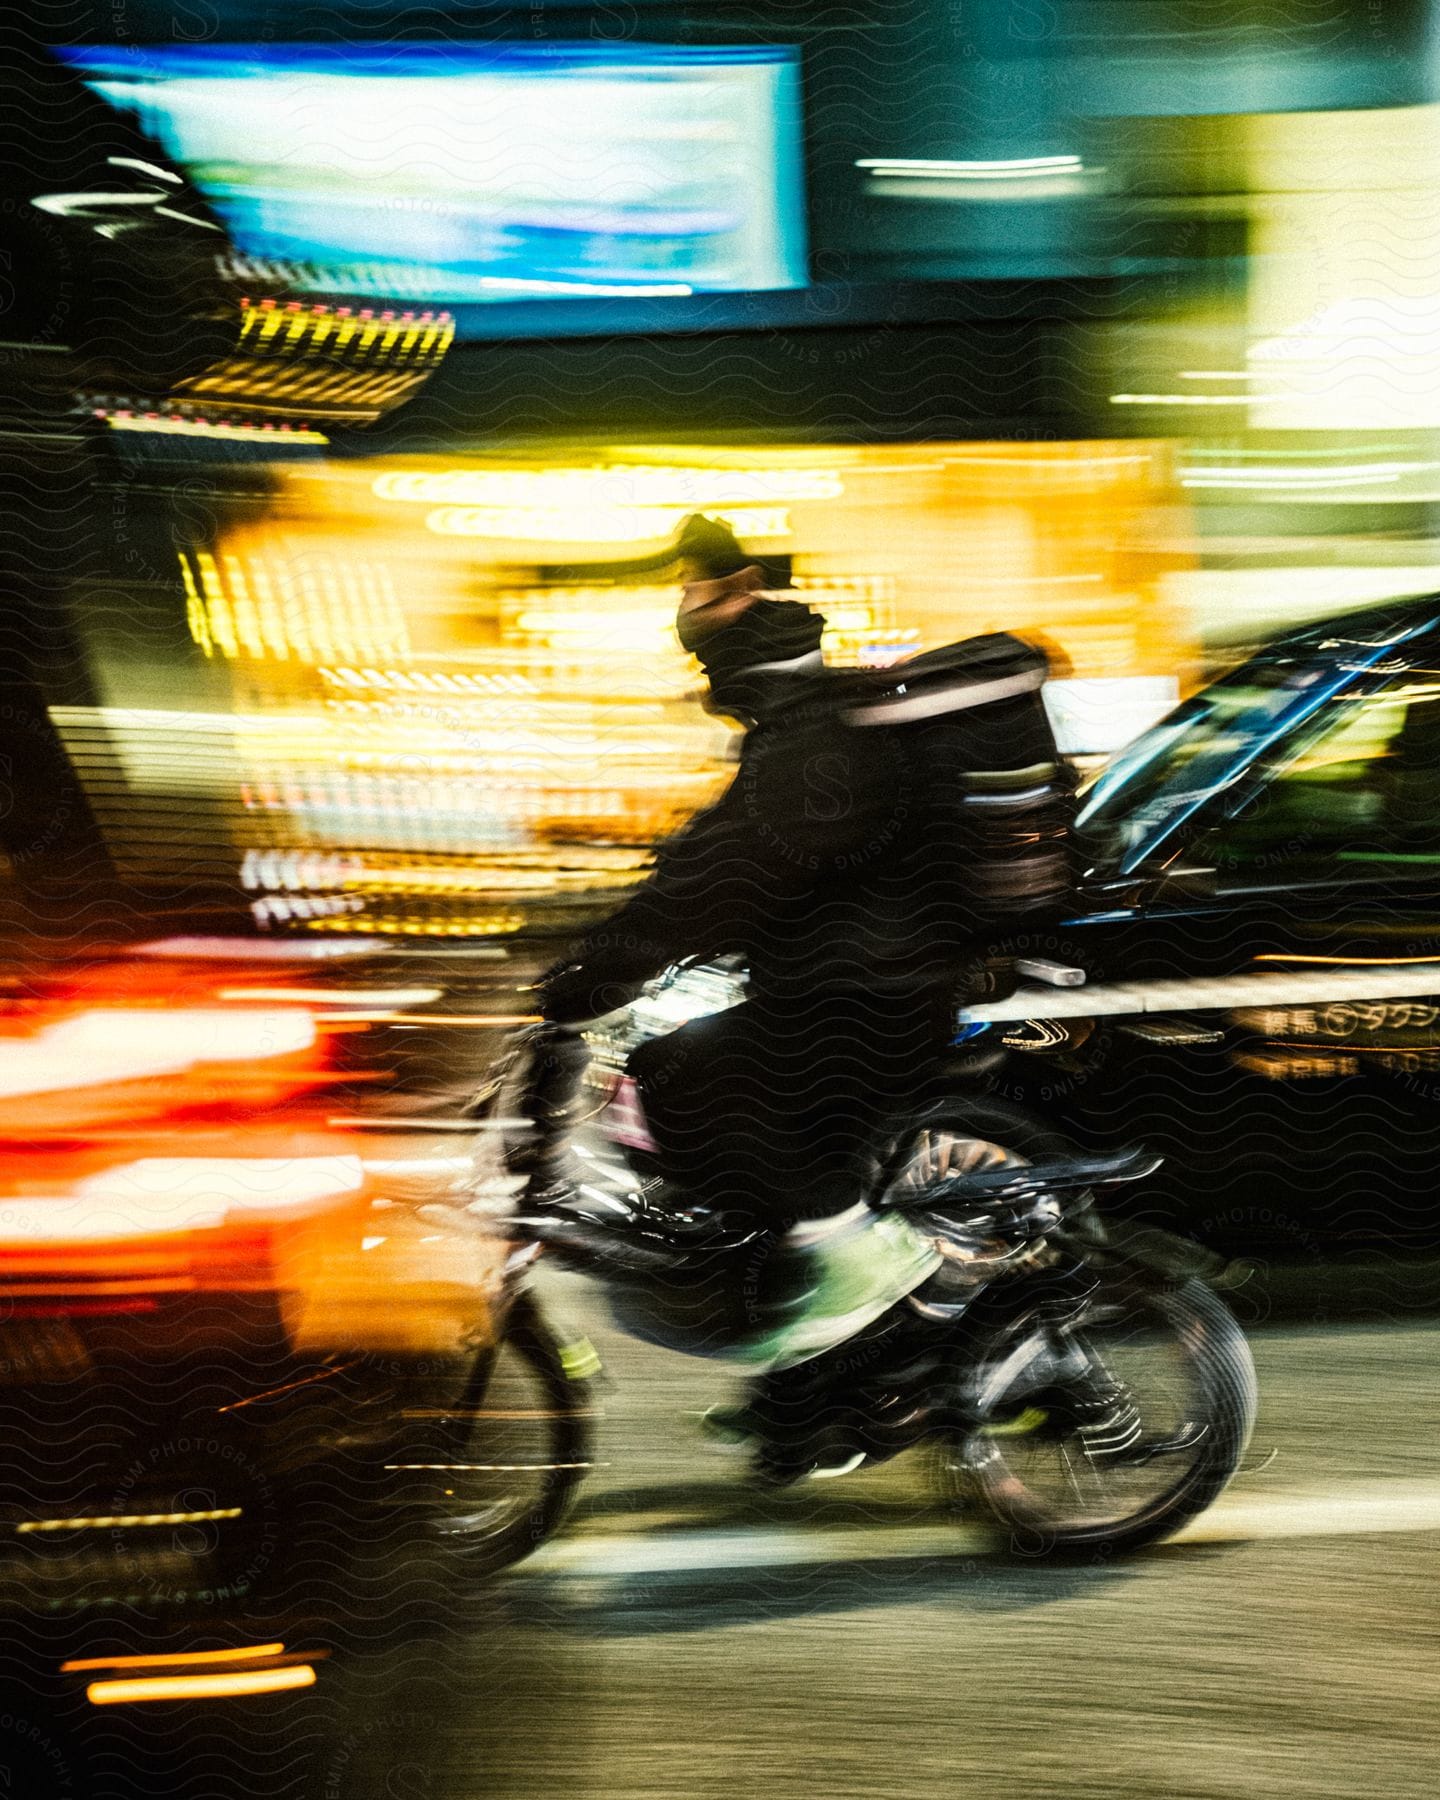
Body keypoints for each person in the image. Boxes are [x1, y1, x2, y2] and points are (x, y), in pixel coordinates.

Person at [521, 514, 1073, 1477]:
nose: (685, 625)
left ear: (744, 599)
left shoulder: (813, 742)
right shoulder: (797, 732)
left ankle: (859, 1271)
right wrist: (588, 943)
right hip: (845, 994)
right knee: (706, 1121)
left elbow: (727, 879)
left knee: (687, 1080)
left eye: (697, 598)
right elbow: (703, 859)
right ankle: (804, 1393)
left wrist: (594, 972)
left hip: (869, 1004)